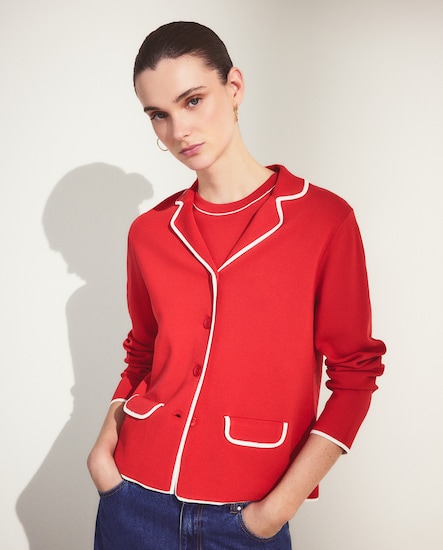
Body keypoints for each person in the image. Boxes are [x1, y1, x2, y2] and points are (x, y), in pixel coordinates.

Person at [87, 21, 386, 549]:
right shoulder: (150, 232)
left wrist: (275, 512)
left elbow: (354, 375)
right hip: (131, 498)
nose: (179, 129)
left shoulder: (323, 221)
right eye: (159, 114)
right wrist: (103, 454)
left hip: (246, 517)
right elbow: (143, 354)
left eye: (193, 100)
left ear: (234, 88)